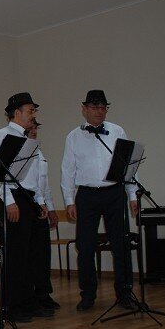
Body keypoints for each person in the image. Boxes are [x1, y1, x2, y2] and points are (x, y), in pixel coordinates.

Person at [60, 89, 138, 312]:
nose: (100, 111)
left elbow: (129, 163)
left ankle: (124, 293)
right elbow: (67, 170)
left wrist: (132, 195)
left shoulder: (117, 131)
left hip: (115, 193)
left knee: (120, 245)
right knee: (85, 247)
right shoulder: (73, 136)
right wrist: (69, 200)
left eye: (103, 107)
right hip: (87, 196)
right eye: (94, 107)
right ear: (84, 109)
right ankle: (88, 295)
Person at [0, 92, 52, 323]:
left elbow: (36, 174)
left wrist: (40, 201)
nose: (33, 115)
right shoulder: (4, 135)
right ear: (17, 113)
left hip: (30, 198)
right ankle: (12, 305)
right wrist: (9, 201)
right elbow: (0, 172)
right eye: (30, 111)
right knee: (16, 254)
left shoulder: (28, 138)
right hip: (14, 197)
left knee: (31, 254)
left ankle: (29, 301)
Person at [26, 121, 60, 310]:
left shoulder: (39, 152)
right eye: (30, 128)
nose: (33, 131)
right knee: (29, 254)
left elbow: (44, 185)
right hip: (26, 203)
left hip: (40, 205)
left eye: (35, 128)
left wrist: (51, 208)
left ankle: (43, 294)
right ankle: (30, 296)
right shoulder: (22, 151)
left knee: (42, 252)